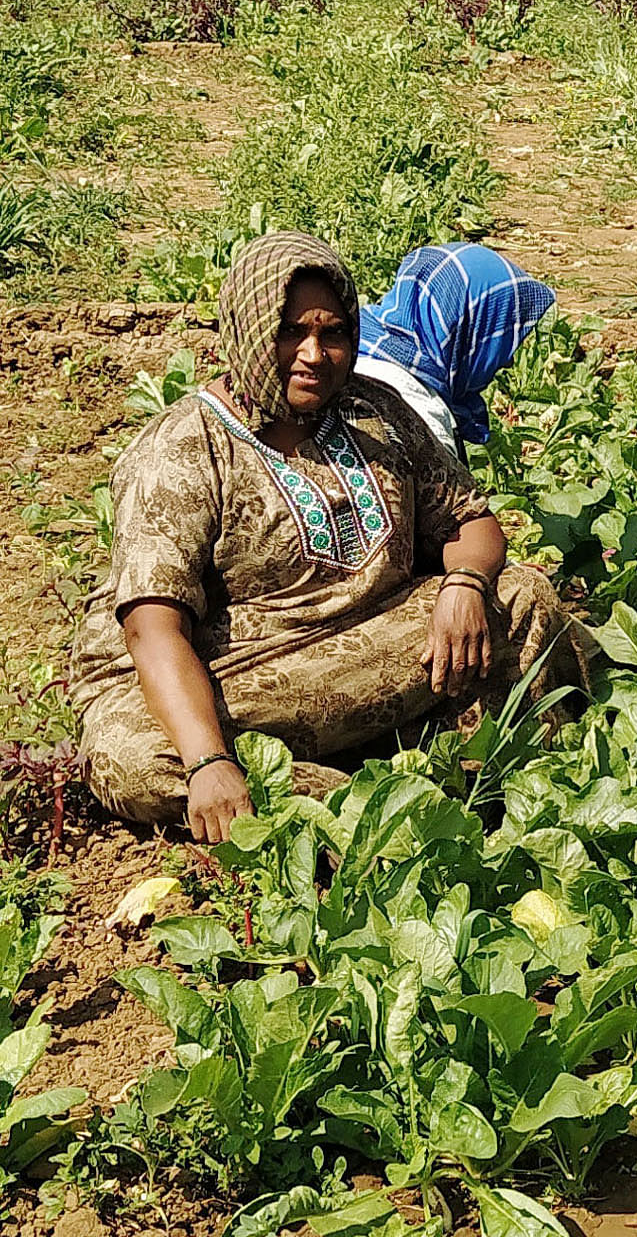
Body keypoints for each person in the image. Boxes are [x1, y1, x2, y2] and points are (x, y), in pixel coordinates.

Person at [71, 232, 589, 841]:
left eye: (334, 333)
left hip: (373, 640)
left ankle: (503, 783)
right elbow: (151, 628)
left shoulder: (377, 411)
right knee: (127, 752)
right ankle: (369, 811)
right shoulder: (184, 449)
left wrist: (466, 584)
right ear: (249, 328)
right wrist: (209, 761)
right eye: (291, 331)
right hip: (235, 675)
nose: (314, 353)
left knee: (519, 595)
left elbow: (470, 521)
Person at [355, 242, 557, 460]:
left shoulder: (353, 350)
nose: (507, 362)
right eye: (497, 341)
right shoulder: (424, 424)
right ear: (466, 331)